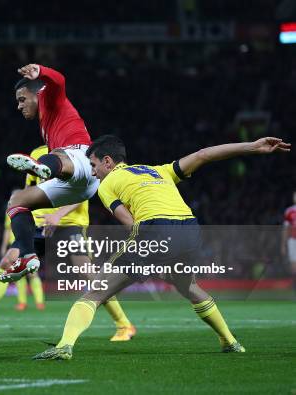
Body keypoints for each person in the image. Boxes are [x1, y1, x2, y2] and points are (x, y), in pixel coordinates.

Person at [33, 135, 290, 360]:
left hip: (155, 230)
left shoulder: (107, 184)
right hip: (190, 231)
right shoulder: (160, 170)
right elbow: (203, 155)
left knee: (95, 292)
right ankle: (230, 341)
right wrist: (252, 147)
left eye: (93, 165)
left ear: (108, 161)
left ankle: (64, 346)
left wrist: (143, 260)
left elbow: (131, 224)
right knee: (187, 286)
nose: (92, 172)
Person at [0, 145, 135, 342]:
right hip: (40, 224)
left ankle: (124, 324)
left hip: (70, 224)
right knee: (8, 261)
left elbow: (85, 190)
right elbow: (29, 191)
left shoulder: (78, 153)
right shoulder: (37, 154)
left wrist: (58, 214)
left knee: (87, 272)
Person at [0, 64, 100, 283]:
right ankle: (28, 256)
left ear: (37, 93)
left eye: (22, 99)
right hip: (76, 187)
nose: (19, 106)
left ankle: (44, 167)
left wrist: (41, 71)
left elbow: (60, 81)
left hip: (83, 158)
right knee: (16, 201)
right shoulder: (46, 122)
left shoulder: (49, 97)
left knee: (60, 156)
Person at [282, 191, 296, 296]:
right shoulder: (289, 211)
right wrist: (283, 244)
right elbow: (285, 229)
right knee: (293, 264)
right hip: (293, 240)